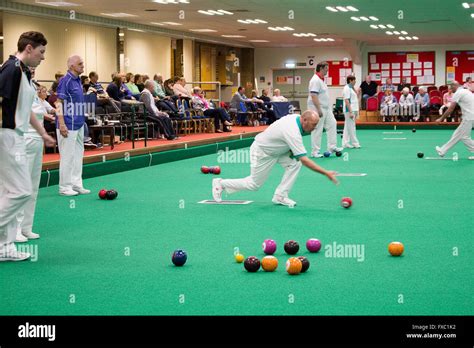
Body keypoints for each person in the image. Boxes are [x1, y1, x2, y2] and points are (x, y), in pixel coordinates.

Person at [0, 31, 56, 261]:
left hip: (18, 135)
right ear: (29, 48)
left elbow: (27, 109)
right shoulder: (11, 68)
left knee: (8, 191)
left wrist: (43, 133)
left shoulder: (24, 72)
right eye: (41, 52)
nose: (43, 57)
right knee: (22, 190)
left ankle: (5, 246)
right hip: (7, 136)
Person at [211, 110, 339, 207]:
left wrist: (290, 150)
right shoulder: (292, 131)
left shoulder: (296, 118)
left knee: (294, 164)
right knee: (254, 184)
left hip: (277, 150)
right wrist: (326, 173)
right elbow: (305, 160)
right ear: (304, 120)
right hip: (263, 152)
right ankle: (220, 183)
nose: (315, 127)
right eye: (314, 124)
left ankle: (280, 196)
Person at [15, 80, 56, 243]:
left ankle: (26, 227)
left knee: (33, 186)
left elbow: (38, 112)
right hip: (23, 138)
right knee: (21, 186)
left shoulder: (32, 87)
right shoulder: (16, 84)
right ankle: (15, 229)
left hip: (37, 140)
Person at [55, 55, 90, 196]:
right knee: (67, 156)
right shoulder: (65, 80)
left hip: (79, 123)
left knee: (77, 155)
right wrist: (62, 124)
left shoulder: (78, 81)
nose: (83, 66)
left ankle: (76, 184)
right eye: (80, 64)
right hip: (68, 124)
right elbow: (58, 103)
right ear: (71, 66)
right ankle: (64, 187)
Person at [308, 61, 342, 158]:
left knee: (332, 124)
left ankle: (332, 146)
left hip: (326, 108)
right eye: (326, 69)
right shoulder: (315, 80)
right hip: (318, 108)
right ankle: (315, 152)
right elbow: (313, 95)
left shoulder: (321, 80)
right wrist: (318, 110)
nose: (328, 71)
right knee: (317, 129)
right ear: (321, 68)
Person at [435, 81, 474, 159]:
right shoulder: (466, 90)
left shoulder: (458, 93)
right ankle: (442, 151)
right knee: (459, 135)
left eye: (450, 87)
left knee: (463, 136)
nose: (450, 90)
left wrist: (441, 119)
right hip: (471, 116)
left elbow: (450, 109)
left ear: (454, 86)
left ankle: (443, 150)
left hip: (469, 117)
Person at [342, 76, 361, 149]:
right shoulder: (346, 88)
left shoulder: (351, 88)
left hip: (354, 109)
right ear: (350, 80)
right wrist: (350, 112)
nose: (355, 81)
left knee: (347, 127)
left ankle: (345, 143)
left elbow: (356, 95)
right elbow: (347, 101)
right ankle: (355, 143)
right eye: (354, 80)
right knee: (352, 127)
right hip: (350, 110)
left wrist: (355, 89)